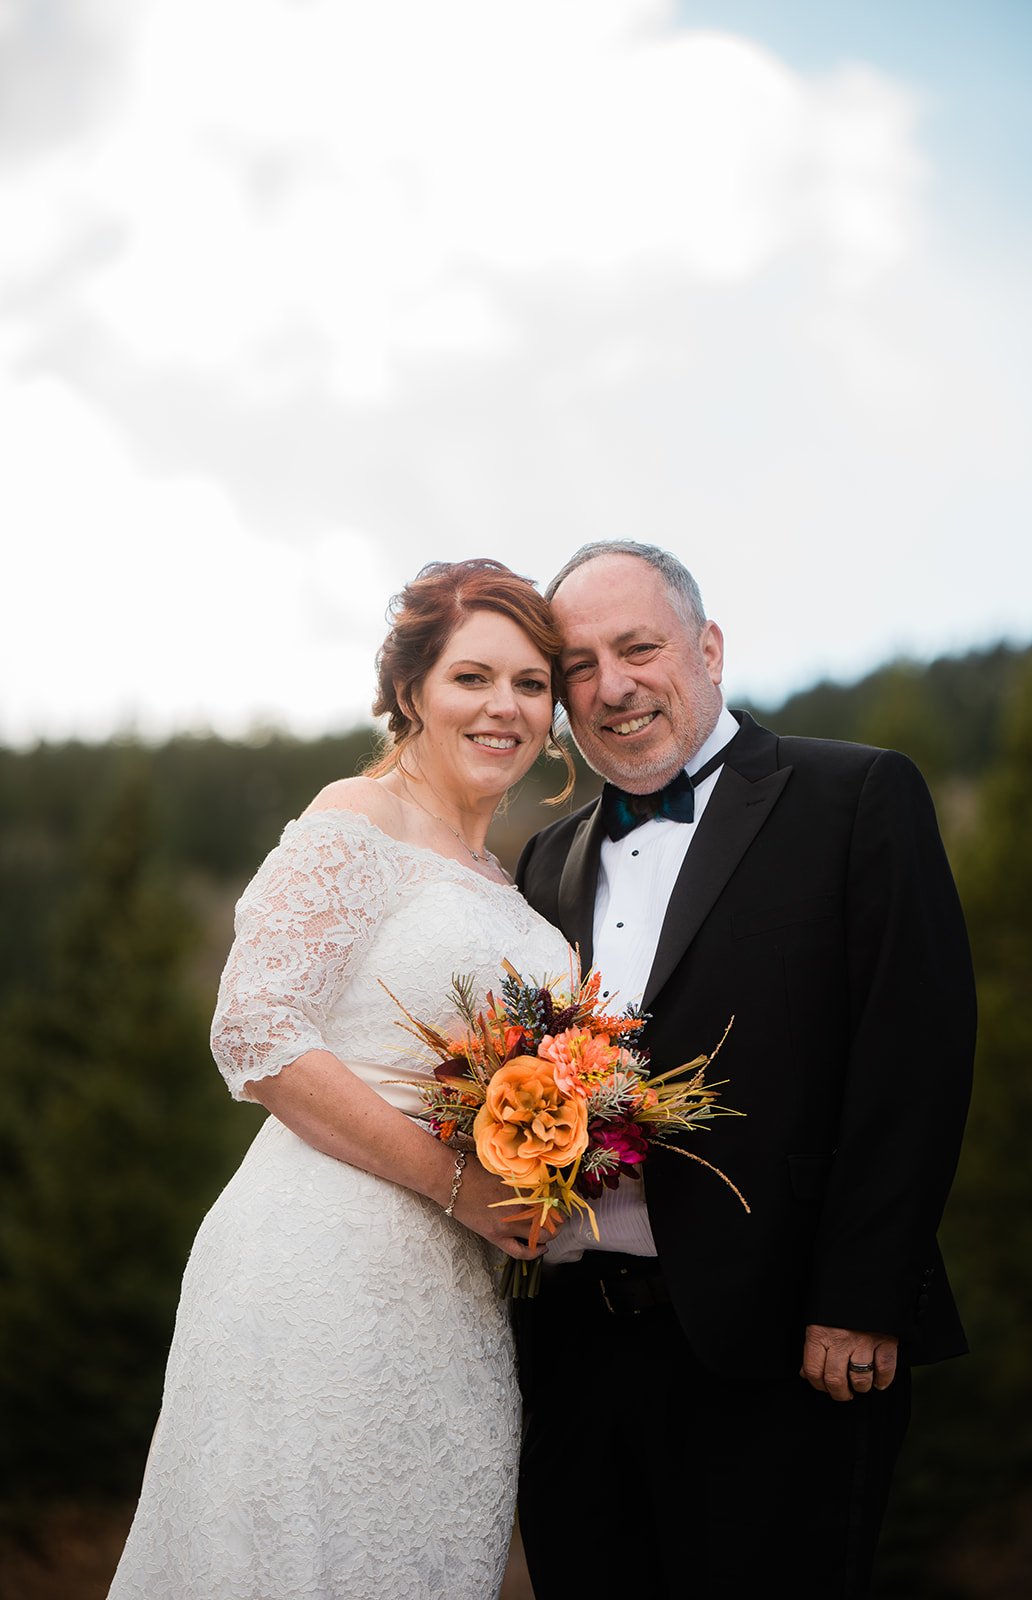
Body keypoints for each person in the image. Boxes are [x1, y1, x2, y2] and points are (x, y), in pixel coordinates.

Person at [514, 540, 975, 1599]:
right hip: (576, 1351)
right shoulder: (546, 857)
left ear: (709, 647)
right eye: (580, 664)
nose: (612, 685)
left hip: (785, 1344)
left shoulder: (856, 795)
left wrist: (862, 1297)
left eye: (640, 647)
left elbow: (916, 1055)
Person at [107, 558, 571, 1600]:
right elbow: (256, 1029)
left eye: (532, 684)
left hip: (458, 1295)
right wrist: (460, 1184)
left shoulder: (509, 880)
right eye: (473, 677)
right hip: (317, 1265)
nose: (506, 706)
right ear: (411, 689)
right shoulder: (356, 817)